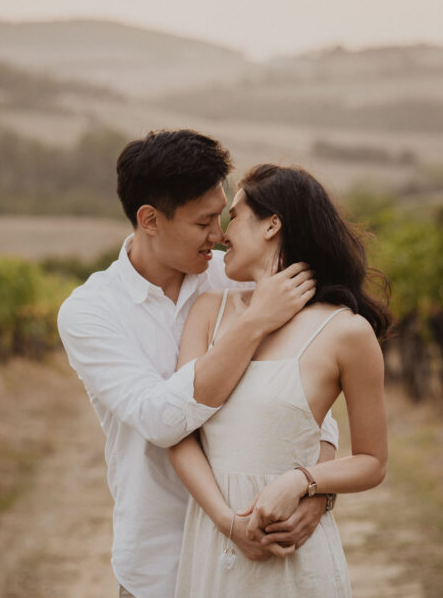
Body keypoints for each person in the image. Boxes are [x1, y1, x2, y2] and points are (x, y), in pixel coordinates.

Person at [56, 130, 340, 598]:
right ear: (149, 219)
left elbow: (310, 403)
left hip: (262, 559)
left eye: (222, 215)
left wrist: (318, 490)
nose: (220, 235)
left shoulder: (235, 278)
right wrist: (252, 326)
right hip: (160, 565)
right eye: (204, 222)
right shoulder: (91, 312)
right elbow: (161, 420)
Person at [169, 163, 391, 597]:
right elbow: (179, 430)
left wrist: (304, 483)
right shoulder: (208, 312)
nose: (221, 234)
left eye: (234, 215)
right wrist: (228, 523)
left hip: (294, 562)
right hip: (214, 551)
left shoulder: (346, 332)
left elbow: (372, 462)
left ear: (273, 224)